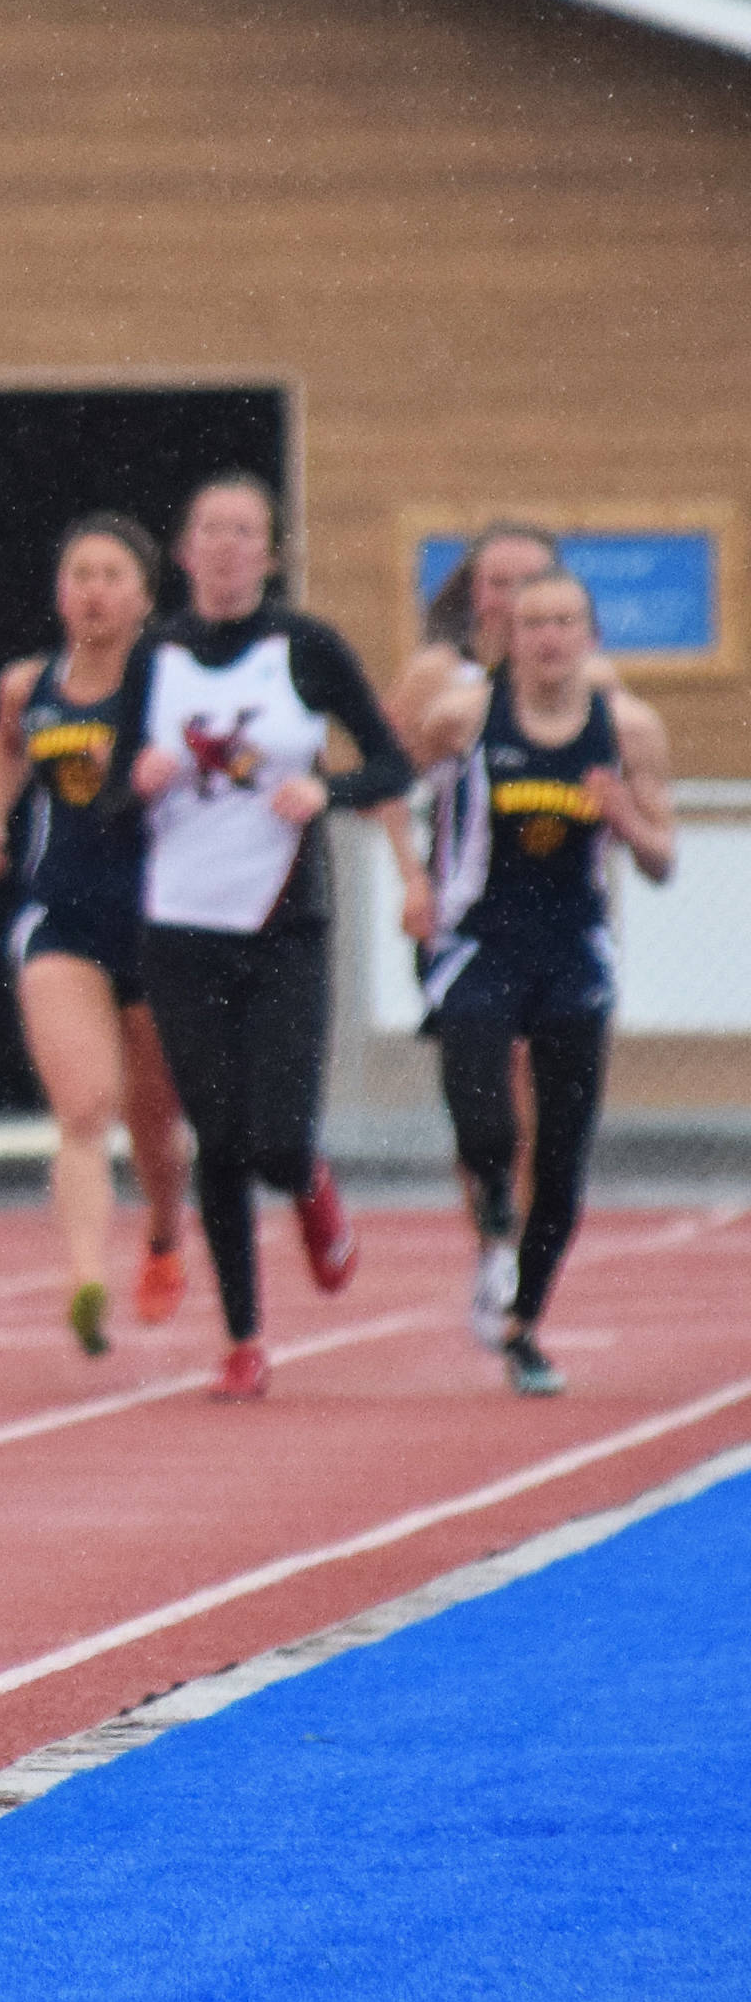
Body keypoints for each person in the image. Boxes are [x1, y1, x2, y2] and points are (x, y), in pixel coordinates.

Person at [107, 473, 414, 1400]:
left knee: (278, 1136)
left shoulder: (306, 648)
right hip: (181, 925)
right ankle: (243, 1338)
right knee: (221, 1139)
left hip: (284, 923)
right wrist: (142, 781)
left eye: (247, 531)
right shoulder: (153, 654)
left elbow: (393, 761)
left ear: (271, 554)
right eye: (212, 530)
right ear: (186, 552)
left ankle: (311, 1184)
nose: (230, 546)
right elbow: (109, 802)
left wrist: (328, 791)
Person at [414, 567, 674, 1395]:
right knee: (480, 1101)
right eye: (533, 623)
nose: (550, 637)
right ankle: (490, 1191)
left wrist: (623, 816)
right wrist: (417, 880)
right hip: (481, 940)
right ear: (510, 638)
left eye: (565, 621)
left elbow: (663, 859)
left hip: (573, 950)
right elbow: (402, 787)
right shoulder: (462, 718)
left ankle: (525, 1323)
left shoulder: (628, 728)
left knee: (561, 1157)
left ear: (591, 635)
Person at [0, 515, 188, 1356]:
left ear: (142, 597)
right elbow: (5, 749)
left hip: (159, 919)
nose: (93, 591)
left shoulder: (168, 683)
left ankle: (166, 1236)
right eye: (79, 575)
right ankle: (86, 1276)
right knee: (83, 1107)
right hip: (61, 916)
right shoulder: (29, 685)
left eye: (111, 576)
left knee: (155, 1122)